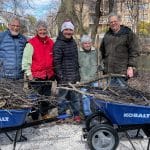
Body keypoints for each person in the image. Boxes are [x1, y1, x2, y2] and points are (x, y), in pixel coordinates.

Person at [22, 20, 55, 120]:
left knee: (46, 97)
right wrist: (28, 73)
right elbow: (26, 60)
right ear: (37, 30)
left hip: (48, 75)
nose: (42, 31)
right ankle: (35, 116)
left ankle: (44, 114)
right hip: (36, 76)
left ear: (47, 30)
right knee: (35, 97)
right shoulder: (31, 43)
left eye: (44, 29)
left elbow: (53, 58)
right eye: (40, 30)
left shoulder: (51, 42)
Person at [100, 13, 140, 86]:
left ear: (119, 21)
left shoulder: (128, 34)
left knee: (122, 94)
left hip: (121, 72)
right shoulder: (107, 35)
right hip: (109, 72)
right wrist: (101, 64)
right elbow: (102, 51)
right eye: (111, 22)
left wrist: (131, 67)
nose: (113, 23)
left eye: (115, 21)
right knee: (110, 93)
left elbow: (134, 52)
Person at [54, 20, 81, 123]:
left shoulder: (73, 42)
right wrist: (60, 76)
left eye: (70, 30)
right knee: (62, 98)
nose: (68, 32)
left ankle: (76, 114)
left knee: (75, 97)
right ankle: (62, 115)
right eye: (66, 29)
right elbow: (56, 62)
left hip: (73, 76)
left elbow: (75, 60)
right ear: (62, 30)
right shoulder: (58, 44)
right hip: (63, 78)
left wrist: (77, 76)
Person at [78, 35, 98, 118]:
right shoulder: (78, 52)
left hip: (94, 78)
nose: (87, 45)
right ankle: (88, 115)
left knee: (95, 96)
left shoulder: (95, 51)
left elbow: (99, 62)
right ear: (82, 44)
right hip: (83, 79)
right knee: (85, 97)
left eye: (89, 43)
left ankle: (96, 113)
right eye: (85, 43)